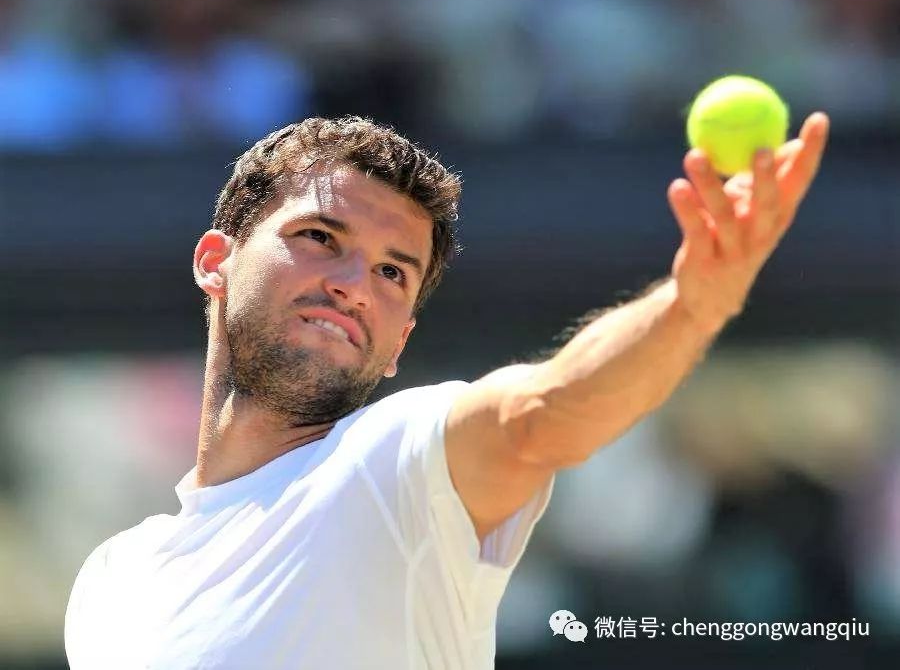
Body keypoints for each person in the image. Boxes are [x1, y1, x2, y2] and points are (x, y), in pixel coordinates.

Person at [63, 113, 830, 669]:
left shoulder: (392, 460)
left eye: (393, 272)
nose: (353, 285)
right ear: (215, 261)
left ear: (400, 341)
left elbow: (542, 413)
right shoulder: (111, 580)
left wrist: (692, 305)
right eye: (320, 238)